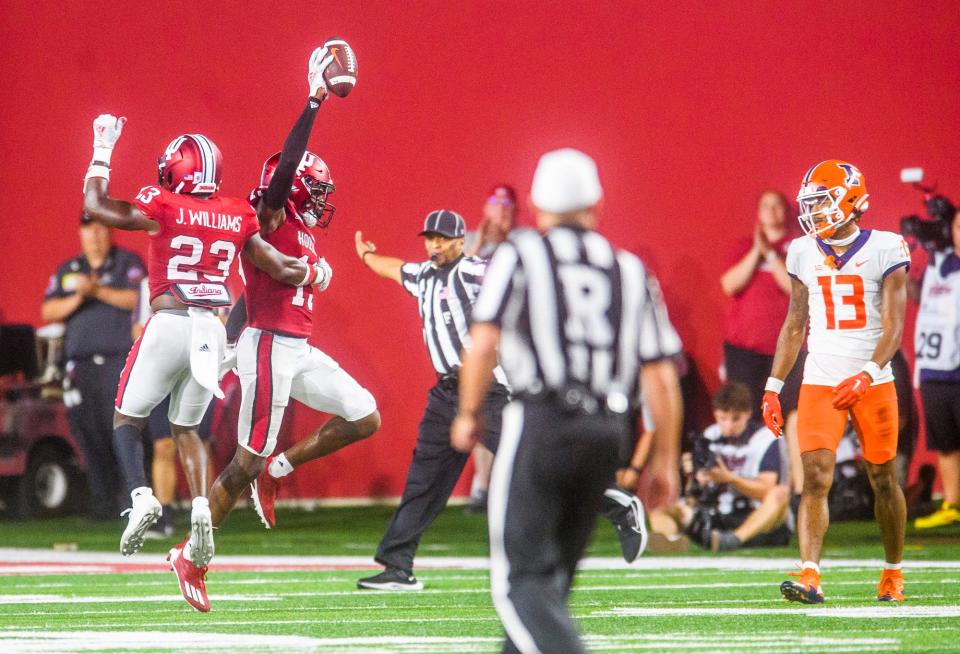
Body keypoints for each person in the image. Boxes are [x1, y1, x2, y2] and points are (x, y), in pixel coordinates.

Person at [81, 46, 337, 573]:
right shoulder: (236, 213)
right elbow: (283, 269)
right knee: (187, 430)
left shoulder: (165, 203)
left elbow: (97, 208)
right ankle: (201, 505)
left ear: (176, 169)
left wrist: (102, 150)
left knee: (126, 417)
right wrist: (315, 272)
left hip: (169, 321)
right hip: (212, 330)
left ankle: (141, 497)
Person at [451, 148, 683, 654]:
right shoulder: (628, 268)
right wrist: (665, 460)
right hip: (607, 431)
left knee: (521, 584)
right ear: (596, 204)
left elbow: (484, 340)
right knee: (551, 583)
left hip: (542, 422)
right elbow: (662, 376)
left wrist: (468, 412)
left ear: (536, 204)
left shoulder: (520, 253)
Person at [180, 148, 380, 610]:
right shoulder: (268, 215)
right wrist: (315, 100)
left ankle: (278, 470)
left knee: (365, 414)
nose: (321, 199)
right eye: (315, 189)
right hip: (269, 346)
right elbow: (283, 174)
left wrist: (230, 340)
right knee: (242, 463)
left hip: (294, 347)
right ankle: (191, 556)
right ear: (291, 187)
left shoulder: (302, 231)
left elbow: (250, 296)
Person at [761, 160, 910, 604]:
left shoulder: (887, 247)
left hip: (873, 376)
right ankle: (810, 574)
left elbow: (894, 327)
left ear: (850, 199)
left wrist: (867, 373)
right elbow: (794, 324)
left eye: (822, 202)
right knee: (815, 477)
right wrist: (773, 385)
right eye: (811, 204)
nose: (815, 213)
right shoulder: (802, 251)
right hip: (820, 376)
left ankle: (892, 573)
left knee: (883, 477)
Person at [353, 209, 512, 590]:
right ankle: (396, 566)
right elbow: (395, 269)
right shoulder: (422, 275)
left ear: (461, 240)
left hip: (487, 390)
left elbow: (511, 282)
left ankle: (613, 503)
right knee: (423, 481)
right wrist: (366, 256)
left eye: (442, 239)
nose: (435, 245)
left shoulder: (474, 270)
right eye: (430, 238)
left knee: (532, 460)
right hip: (445, 395)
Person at [42, 213, 145, 520]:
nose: (96, 235)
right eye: (89, 229)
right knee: (88, 433)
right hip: (81, 365)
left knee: (123, 432)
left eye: (101, 228)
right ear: (81, 233)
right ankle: (102, 504)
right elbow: (48, 310)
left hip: (118, 360)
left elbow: (139, 299)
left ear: (110, 231)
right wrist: (79, 296)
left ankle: (133, 501)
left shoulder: (127, 262)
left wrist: (98, 291)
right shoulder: (69, 270)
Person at [649, 382, 791, 553]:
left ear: (748, 414)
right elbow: (693, 496)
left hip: (754, 515)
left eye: (735, 418)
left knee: (780, 494)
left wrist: (730, 478)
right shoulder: (710, 435)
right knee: (661, 508)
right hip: (717, 514)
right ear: (715, 414)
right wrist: (694, 475)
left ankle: (733, 540)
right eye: (723, 418)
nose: (728, 426)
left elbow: (767, 490)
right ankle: (673, 540)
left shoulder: (765, 438)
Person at [464, 184, 518, 513]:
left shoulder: (521, 246)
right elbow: (453, 278)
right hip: (480, 340)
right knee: (481, 409)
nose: (502, 209)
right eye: (496, 203)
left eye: (507, 204)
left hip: (513, 340)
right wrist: (481, 244)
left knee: (511, 411)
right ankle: (482, 487)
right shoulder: (471, 242)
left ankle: (506, 483)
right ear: (485, 207)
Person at [911, 199, 960, 529]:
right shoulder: (938, 262)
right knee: (945, 442)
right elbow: (921, 295)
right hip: (932, 367)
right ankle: (953, 504)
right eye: (957, 226)